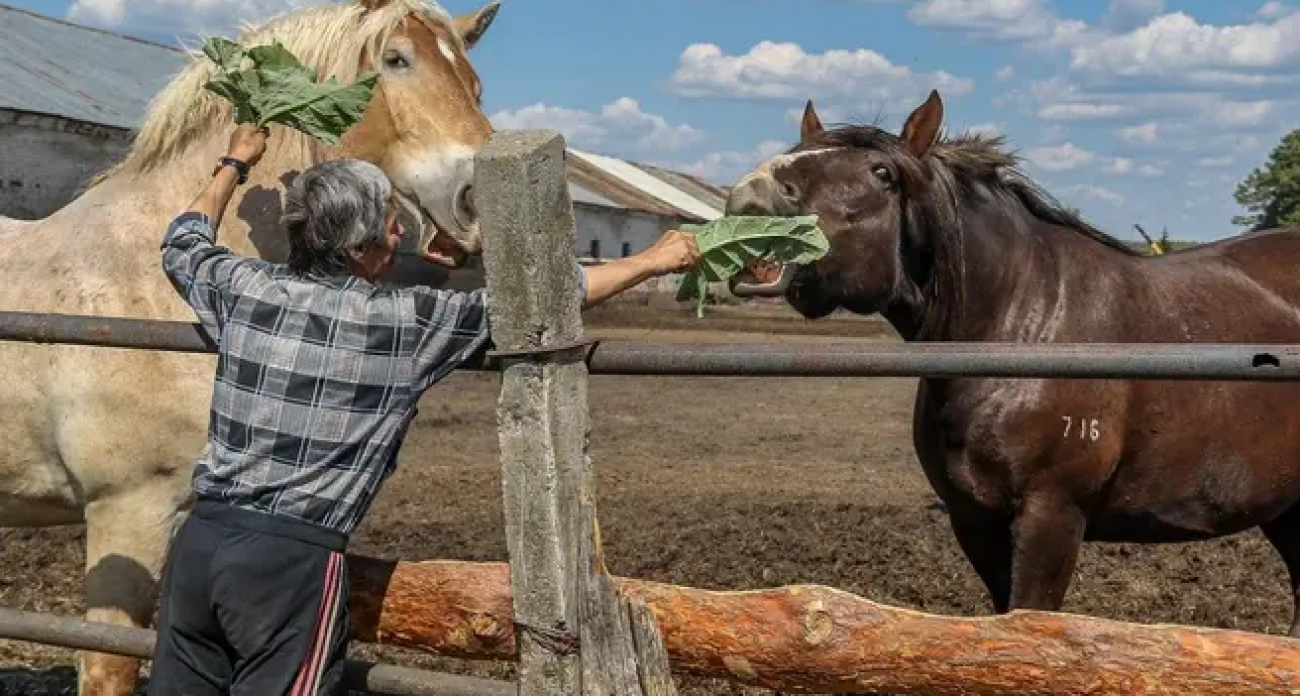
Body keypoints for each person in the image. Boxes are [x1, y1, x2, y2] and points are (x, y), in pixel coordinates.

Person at [146, 123, 700, 696]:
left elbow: (183, 240)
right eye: (391, 221)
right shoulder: (407, 323)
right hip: (287, 564)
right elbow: (546, 297)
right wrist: (651, 262)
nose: (400, 229)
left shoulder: (243, 287)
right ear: (360, 247)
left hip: (200, 543)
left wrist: (234, 163)